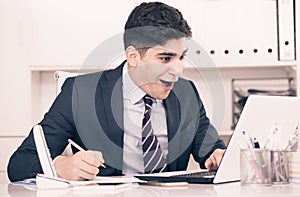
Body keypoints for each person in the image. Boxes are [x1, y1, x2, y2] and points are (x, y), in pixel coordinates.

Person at [7, 1, 226, 182]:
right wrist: (60, 166)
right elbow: (20, 163)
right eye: (165, 58)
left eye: (181, 57)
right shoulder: (80, 93)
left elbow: (208, 146)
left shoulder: (185, 92)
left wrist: (217, 154)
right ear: (133, 57)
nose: (178, 70)